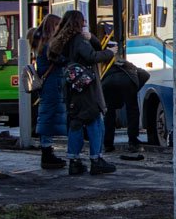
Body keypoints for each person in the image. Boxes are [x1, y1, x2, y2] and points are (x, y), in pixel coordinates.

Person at [48, 11, 116, 176]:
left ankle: (74, 161)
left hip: (71, 87)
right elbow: (92, 55)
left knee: (76, 122)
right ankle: (96, 159)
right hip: (86, 87)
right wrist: (111, 52)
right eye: (82, 21)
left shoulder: (59, 41)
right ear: (77, 23)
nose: (85, 23)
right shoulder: (78, 40)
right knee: (95, 120)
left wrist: (91, 37)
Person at [93, 23, 148, 155]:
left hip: (107, 84)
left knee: (109, 113)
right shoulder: (127, 64)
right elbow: (145, 74)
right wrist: (135, 87)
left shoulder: (104, 64)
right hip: (128, 83)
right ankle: (133, 141)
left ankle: (108, 144)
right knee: (132, 110)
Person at [30, 14, 67, 170]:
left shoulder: (40, 43)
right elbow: (61, 60)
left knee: (47, 116)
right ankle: (47, 152)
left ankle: (47, 150)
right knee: (49, 116)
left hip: (49, 85)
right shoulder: (49, 45)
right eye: (58, 25)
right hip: (53, 84)